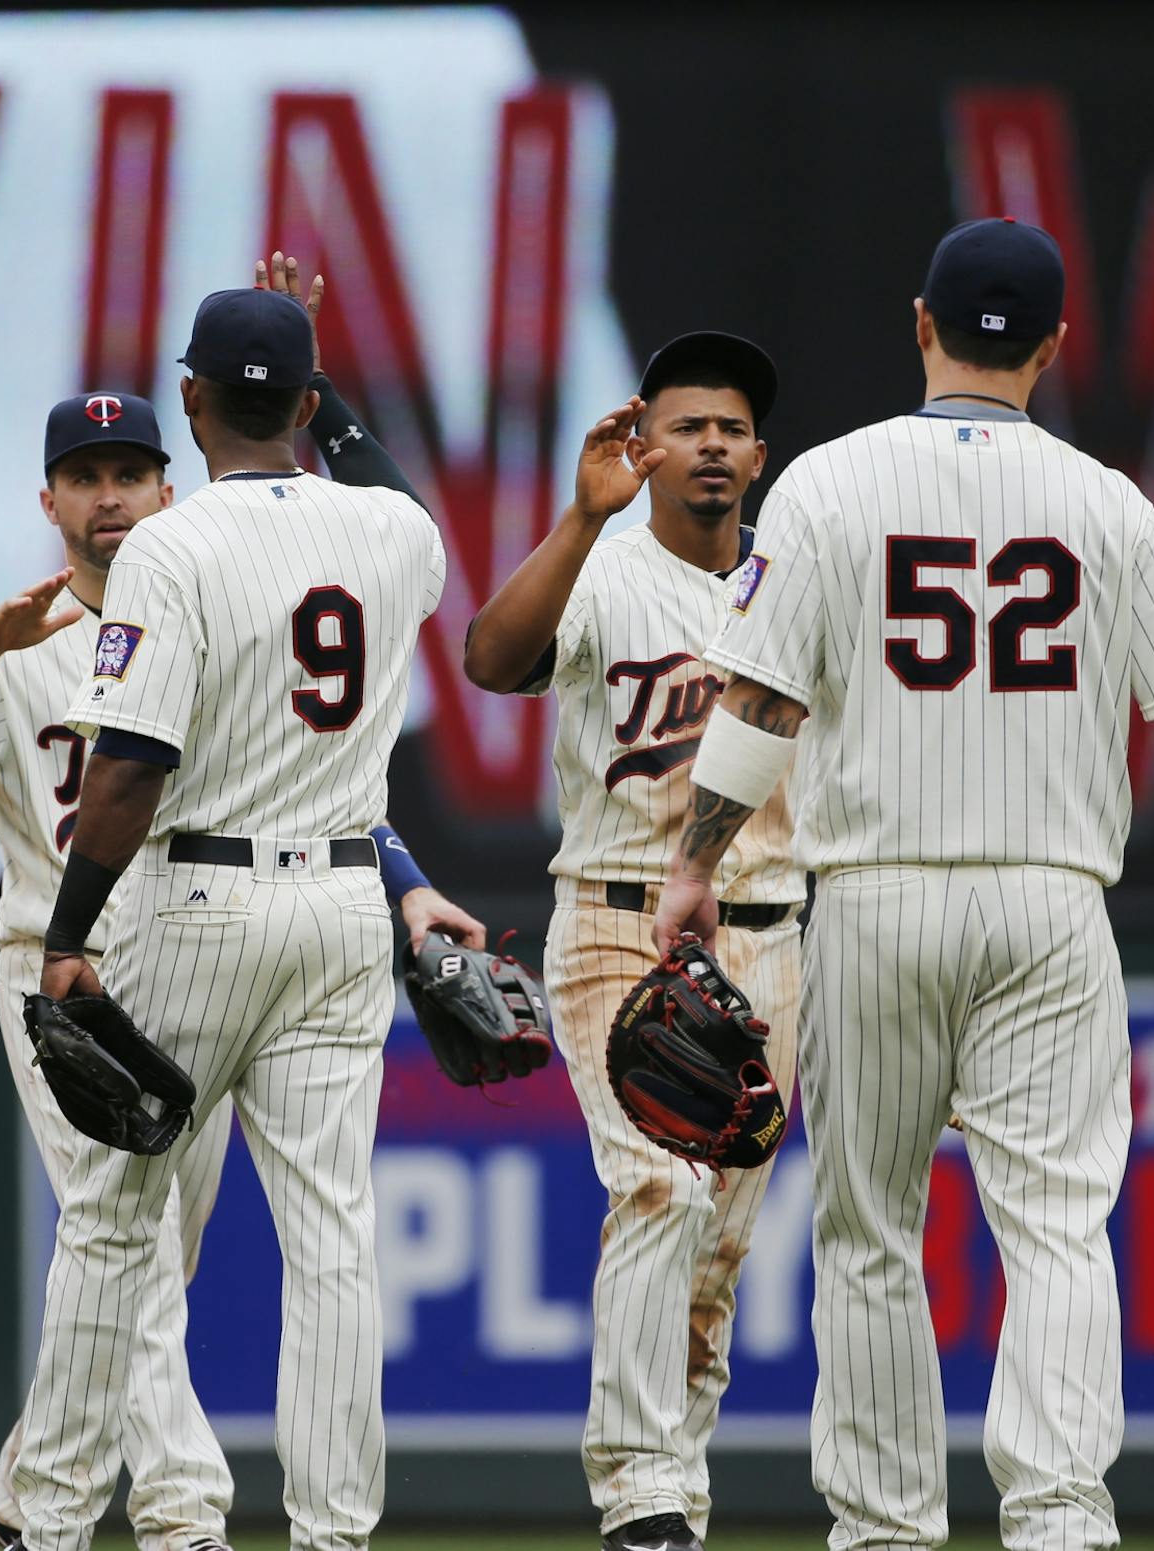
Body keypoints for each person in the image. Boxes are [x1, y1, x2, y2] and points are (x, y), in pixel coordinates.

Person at [650, 217, 1154, 1549]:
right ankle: (1060, 1519)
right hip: (1049, 904)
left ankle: (884, 1527)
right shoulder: (1102, 497)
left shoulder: (830, 485)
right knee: (1058, 1226)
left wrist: (696, 862)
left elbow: (757, 701)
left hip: (876, 895)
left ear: (921, 323)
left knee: (867, 1232)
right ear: (1054, 341)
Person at [0, 258, 475, 1551]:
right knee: (335, 1242)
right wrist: (326, 394)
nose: (109, 495)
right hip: (340, 906)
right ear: (306, 400)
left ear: (187, 413)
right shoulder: (394, 533)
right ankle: (331, 1529)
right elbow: (391, 493)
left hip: (185, 906)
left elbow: (128, 770)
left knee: (114, 1223)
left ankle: (52, 1512)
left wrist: (76, 934)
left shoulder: (174, 548)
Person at [464, 333, 802, 1551]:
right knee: (659, 1185)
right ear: (643, 444)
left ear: (760, 456)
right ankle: (640, 1498)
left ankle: (675, 1499)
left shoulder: (799, 584)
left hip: (776, 934)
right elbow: (489, 659)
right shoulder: (602, 574)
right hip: (618, 920)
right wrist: (572, 521)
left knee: (716, 1249)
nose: (709, 442)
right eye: (685, 423)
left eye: (730, 426)